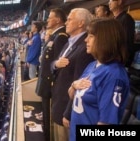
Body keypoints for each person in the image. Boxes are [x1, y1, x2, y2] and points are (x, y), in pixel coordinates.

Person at [68, 18, 130, 141]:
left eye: (91, 36)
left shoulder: (114, 75)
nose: (86, 40)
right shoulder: (92, 65)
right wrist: (74, 85)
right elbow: (73, 95)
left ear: (105, 39)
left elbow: (106, 124)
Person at [51, 8, 94, 141]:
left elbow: (79, 84)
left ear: (81, 23)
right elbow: (54, 64)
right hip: (58, 103)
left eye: (70, 19)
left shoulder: (84, 49)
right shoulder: (69, 42)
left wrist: (68, 113)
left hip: (66, 110)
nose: (66, 23)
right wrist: (55, 64)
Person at [35, 8, 69, 141]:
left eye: (50, 17)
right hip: (45, 80)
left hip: (50, 83)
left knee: (48, 117)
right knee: (45, 115)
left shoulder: (61, 37)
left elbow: (57, 64)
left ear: (58, 20)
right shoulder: (54, 36)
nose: (47, 20)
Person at [109, 0, 135, 68]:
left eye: (112, 0)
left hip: (119, 61)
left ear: (119, 1)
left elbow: (127, 42)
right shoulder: (114, 19)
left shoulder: (126, 19)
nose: (109, 3)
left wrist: (123, 61)